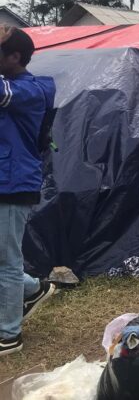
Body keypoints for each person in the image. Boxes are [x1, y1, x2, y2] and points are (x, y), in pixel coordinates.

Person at [0, 26, 57, 357]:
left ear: (15, 57)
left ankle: (9, 334)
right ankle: (34, 289)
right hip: (5, 178)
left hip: (13, 183)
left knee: (6, 261)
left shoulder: (31, 90)